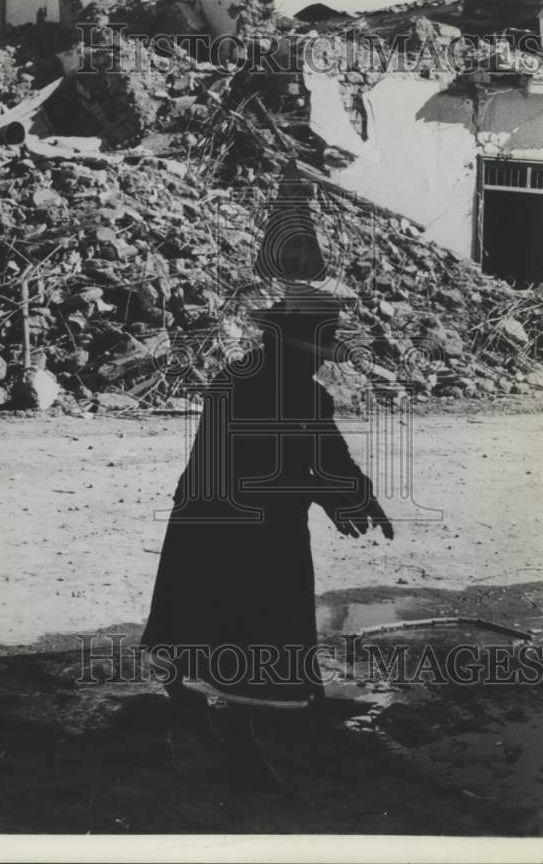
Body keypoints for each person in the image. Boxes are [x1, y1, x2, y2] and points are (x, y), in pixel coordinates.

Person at [141, 291, 394, 781]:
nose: (320, 358)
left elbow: (322, 451)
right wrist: (346, 499)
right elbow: (301, 457)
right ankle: (240, 745)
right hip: (243, 525)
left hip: (222, 516)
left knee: (193, 616)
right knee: (251, 624)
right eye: (315, 347)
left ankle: (204, 711)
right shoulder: (268, 387)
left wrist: (357, 498)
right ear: (289, 343)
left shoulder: (252, 380)